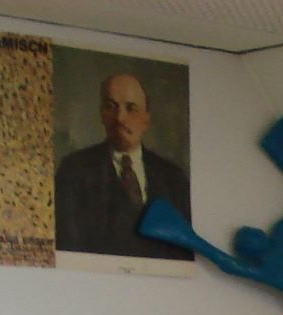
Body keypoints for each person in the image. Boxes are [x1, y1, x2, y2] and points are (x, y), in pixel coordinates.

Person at [54, 72, 192, 260]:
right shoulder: (73, 171)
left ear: (146, 119)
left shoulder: (174, 178)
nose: (120, 118)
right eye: (110, 107)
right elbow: (67, 248)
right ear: (102, 115)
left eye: (131, 108)